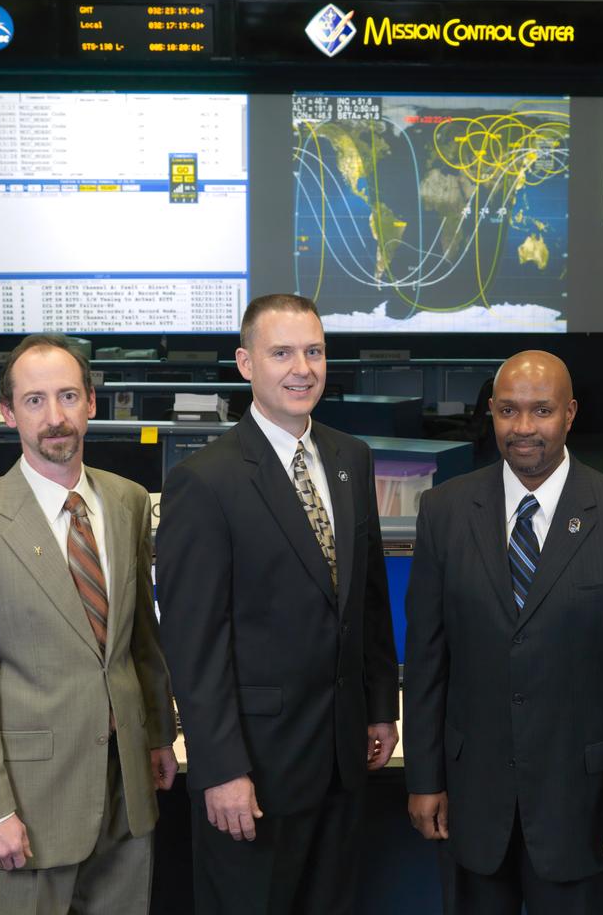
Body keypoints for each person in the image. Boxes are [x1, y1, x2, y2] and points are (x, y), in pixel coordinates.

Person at [404, 350, 603, 914]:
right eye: (508, 411)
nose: (524, 428)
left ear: (571, 413)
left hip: (586, 811)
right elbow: (429, 659)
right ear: (491, 413)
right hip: (472, 806)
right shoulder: (444, 512)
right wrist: (424, 779)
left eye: (541, 410)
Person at [156, 293, 399, 915]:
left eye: (314, 351)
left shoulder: (350, 457)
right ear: (245, 364)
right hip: (256, 773)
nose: (302, 368)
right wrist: (219, 769)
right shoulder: (205, 480)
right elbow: (195, 644)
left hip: (343, 761)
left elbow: (367, 600)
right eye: (282, 352)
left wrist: (379, 708)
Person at [0, 334, 177, 915]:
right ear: (8, 413)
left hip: (125, 788)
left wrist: (158, 731)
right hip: (28, 808)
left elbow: (139, 642)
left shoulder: (129, 501)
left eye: (67, 396)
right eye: (34, 401)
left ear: (91, 402)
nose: (55, 418)